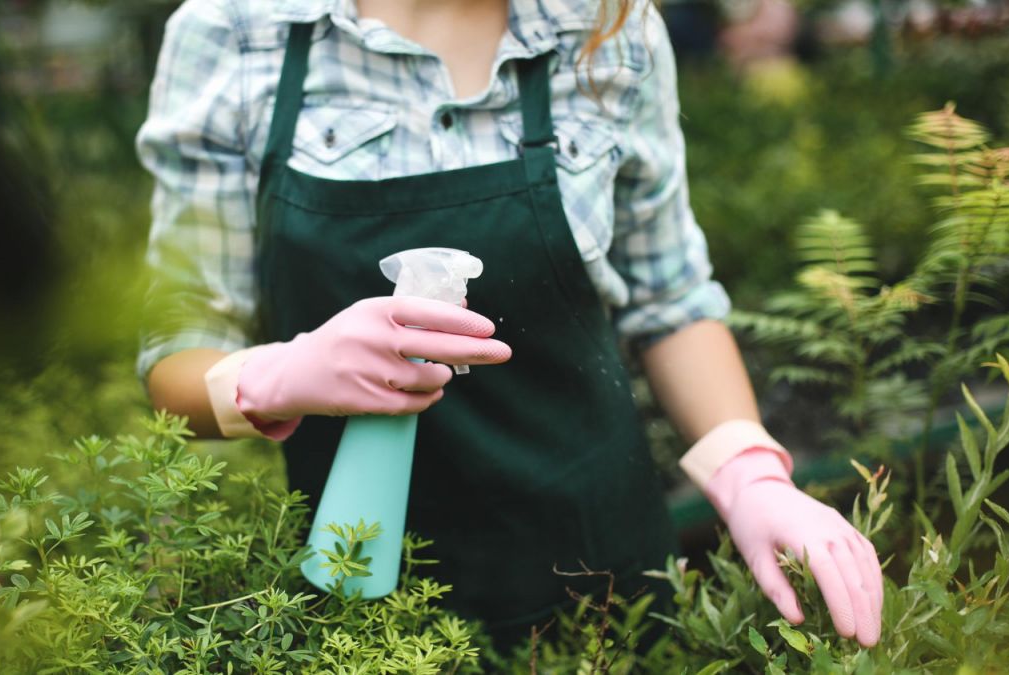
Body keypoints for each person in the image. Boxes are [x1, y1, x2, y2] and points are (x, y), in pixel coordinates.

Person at [136, 0, 883, 650]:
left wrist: (750, 473)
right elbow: (174, 357)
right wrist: (275, 375)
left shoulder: (608, 33)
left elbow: (672, 301)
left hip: (603, 591)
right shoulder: (235, 33)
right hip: (361, 607)